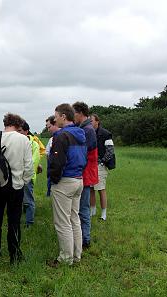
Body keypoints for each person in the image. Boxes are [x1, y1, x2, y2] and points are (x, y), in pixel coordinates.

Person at [0, 113, 33, 264]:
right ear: (18, 125)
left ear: (5, 124)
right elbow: (29, 166)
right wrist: (23, 181)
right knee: (14, 222)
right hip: (16, 186)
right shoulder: (24, 139)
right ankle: (15, 255)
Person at [46, 103, 87, 267]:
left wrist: (54, 180)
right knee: (74, 219)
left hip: (65, 181)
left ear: (63, 116)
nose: (55, 120)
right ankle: (77, 255)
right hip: (78, 179)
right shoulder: (81, 133)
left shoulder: (61, 136)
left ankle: (65, 259)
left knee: (62, 222)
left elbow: (57, 162)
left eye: (56, 116)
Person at [73, 101, 98, 249]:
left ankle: (85, 239)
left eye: (74, 113)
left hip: (86, 173)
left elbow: (84, 154)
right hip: (85, 172)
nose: (73, 116)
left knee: (83, 208)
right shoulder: (85, 128)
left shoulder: (87, 130)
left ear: (80, 113)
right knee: (82, 207)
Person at [17, 122, 42, 228]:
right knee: (18, 200)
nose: (18, 133)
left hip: (28, 177)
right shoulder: (17, 143)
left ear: (26, 131)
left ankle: (29, 222)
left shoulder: (34, 144)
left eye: (20, 131)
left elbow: (34, 161)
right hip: (17, 176)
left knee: (28, 200)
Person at [91, 114, 114, 221]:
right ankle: (93, 210)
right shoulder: (89, 133)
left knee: (100, 189)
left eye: (91, 120)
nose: (90, 122)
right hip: (90, 165)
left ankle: (103, 214)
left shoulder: (106, 134)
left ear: (97, 121)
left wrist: (101, 162)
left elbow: (110, 151)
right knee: (91, 188)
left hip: (100, 165)